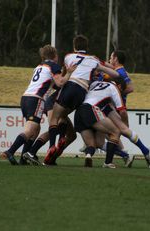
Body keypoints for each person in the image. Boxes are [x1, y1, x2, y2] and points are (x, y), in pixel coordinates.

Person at [46, 35, 120, 163]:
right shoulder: (94, 59)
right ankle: (62, 139)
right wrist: (108, 73)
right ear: (87, 47)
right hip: (82, 92)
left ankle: (52, 146)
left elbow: (63, 76)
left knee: (55, 118)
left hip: (70, 86)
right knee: (64, 116)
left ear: (74, 46)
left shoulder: (68, 57)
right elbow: (115, 74)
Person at [2, 45, 75, 165]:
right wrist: (69, 73)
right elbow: (60, 83)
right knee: (30, 129)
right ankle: (11, 151)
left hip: (25, 98)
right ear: (55, 56)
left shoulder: (39, 66)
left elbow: (52, 84)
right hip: (36, 99)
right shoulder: (54, 65)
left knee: (36, 129)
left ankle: (23, 159)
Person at [108, 50, 134, 126]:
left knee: (115, 133)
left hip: (117, 109)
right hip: (115, 108)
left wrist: (115, 93)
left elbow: (130, 88)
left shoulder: (120, 72)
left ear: (115, 59)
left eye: (111, 58)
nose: (109, 60)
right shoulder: (119, 71)